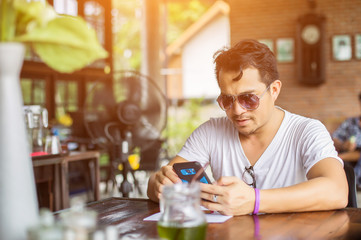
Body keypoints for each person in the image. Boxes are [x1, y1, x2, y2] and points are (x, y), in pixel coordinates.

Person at [147, 39, 348, 215]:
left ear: (275, 90)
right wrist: (157, 185)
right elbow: (163, 179)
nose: (237, 110)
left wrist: (255, 200)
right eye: (227, 100)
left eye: (248, 98)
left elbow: (337, 191)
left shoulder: (307, 131)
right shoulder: (210, 132)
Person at [332, 93, 361, 188]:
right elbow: (334, 137)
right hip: (349, 160)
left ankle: (339, 158)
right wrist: (343, 145)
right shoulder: (350, 122)